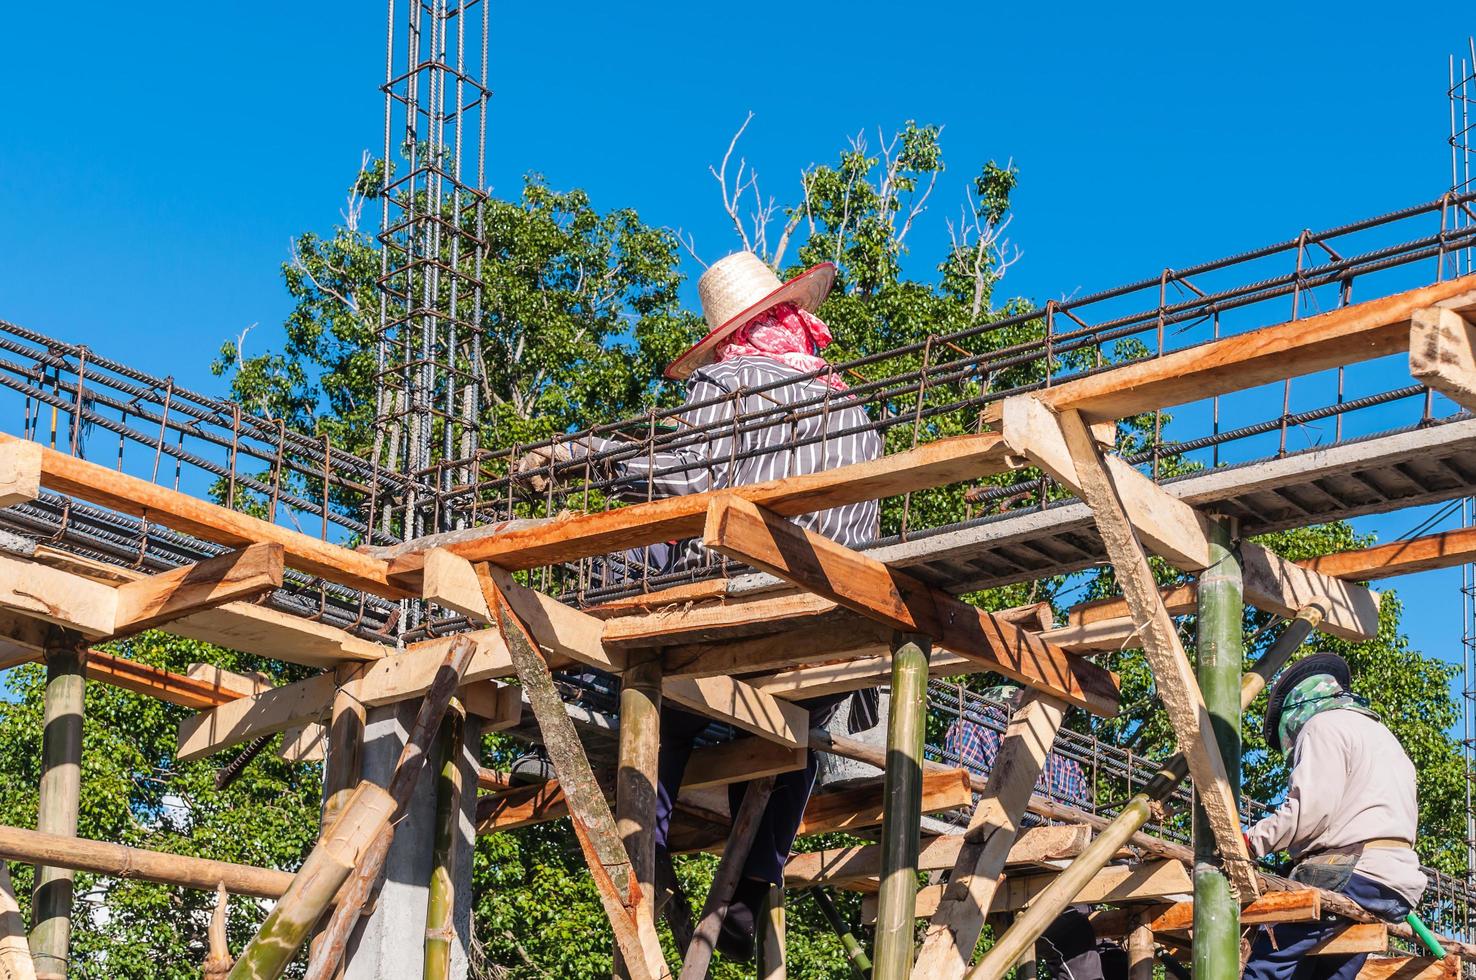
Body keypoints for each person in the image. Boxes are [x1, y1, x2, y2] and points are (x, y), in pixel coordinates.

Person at [516, 250, 883, 962]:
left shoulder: (732, 380)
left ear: (728, 336)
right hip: (838, 627)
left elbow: (683, 479)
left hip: (743, 598)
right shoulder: (850, 403)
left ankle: (640, 863)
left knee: (662, 697)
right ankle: (753, 879)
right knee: (797, 735)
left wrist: (582, 456)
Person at [1242, 652, 1426, 980]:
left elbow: (1308, 811)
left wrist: (1249, 841)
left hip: (1353, 873)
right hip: (1395, 884)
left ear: (1295, 711)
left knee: (1268, 962)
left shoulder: (1322, 725)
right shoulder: (1382, 736)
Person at [943, 684, 1089, 806]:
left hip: (986, 829)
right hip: (1051, 835)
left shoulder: (976, 720)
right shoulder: (1069, 762)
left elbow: (960, 800)